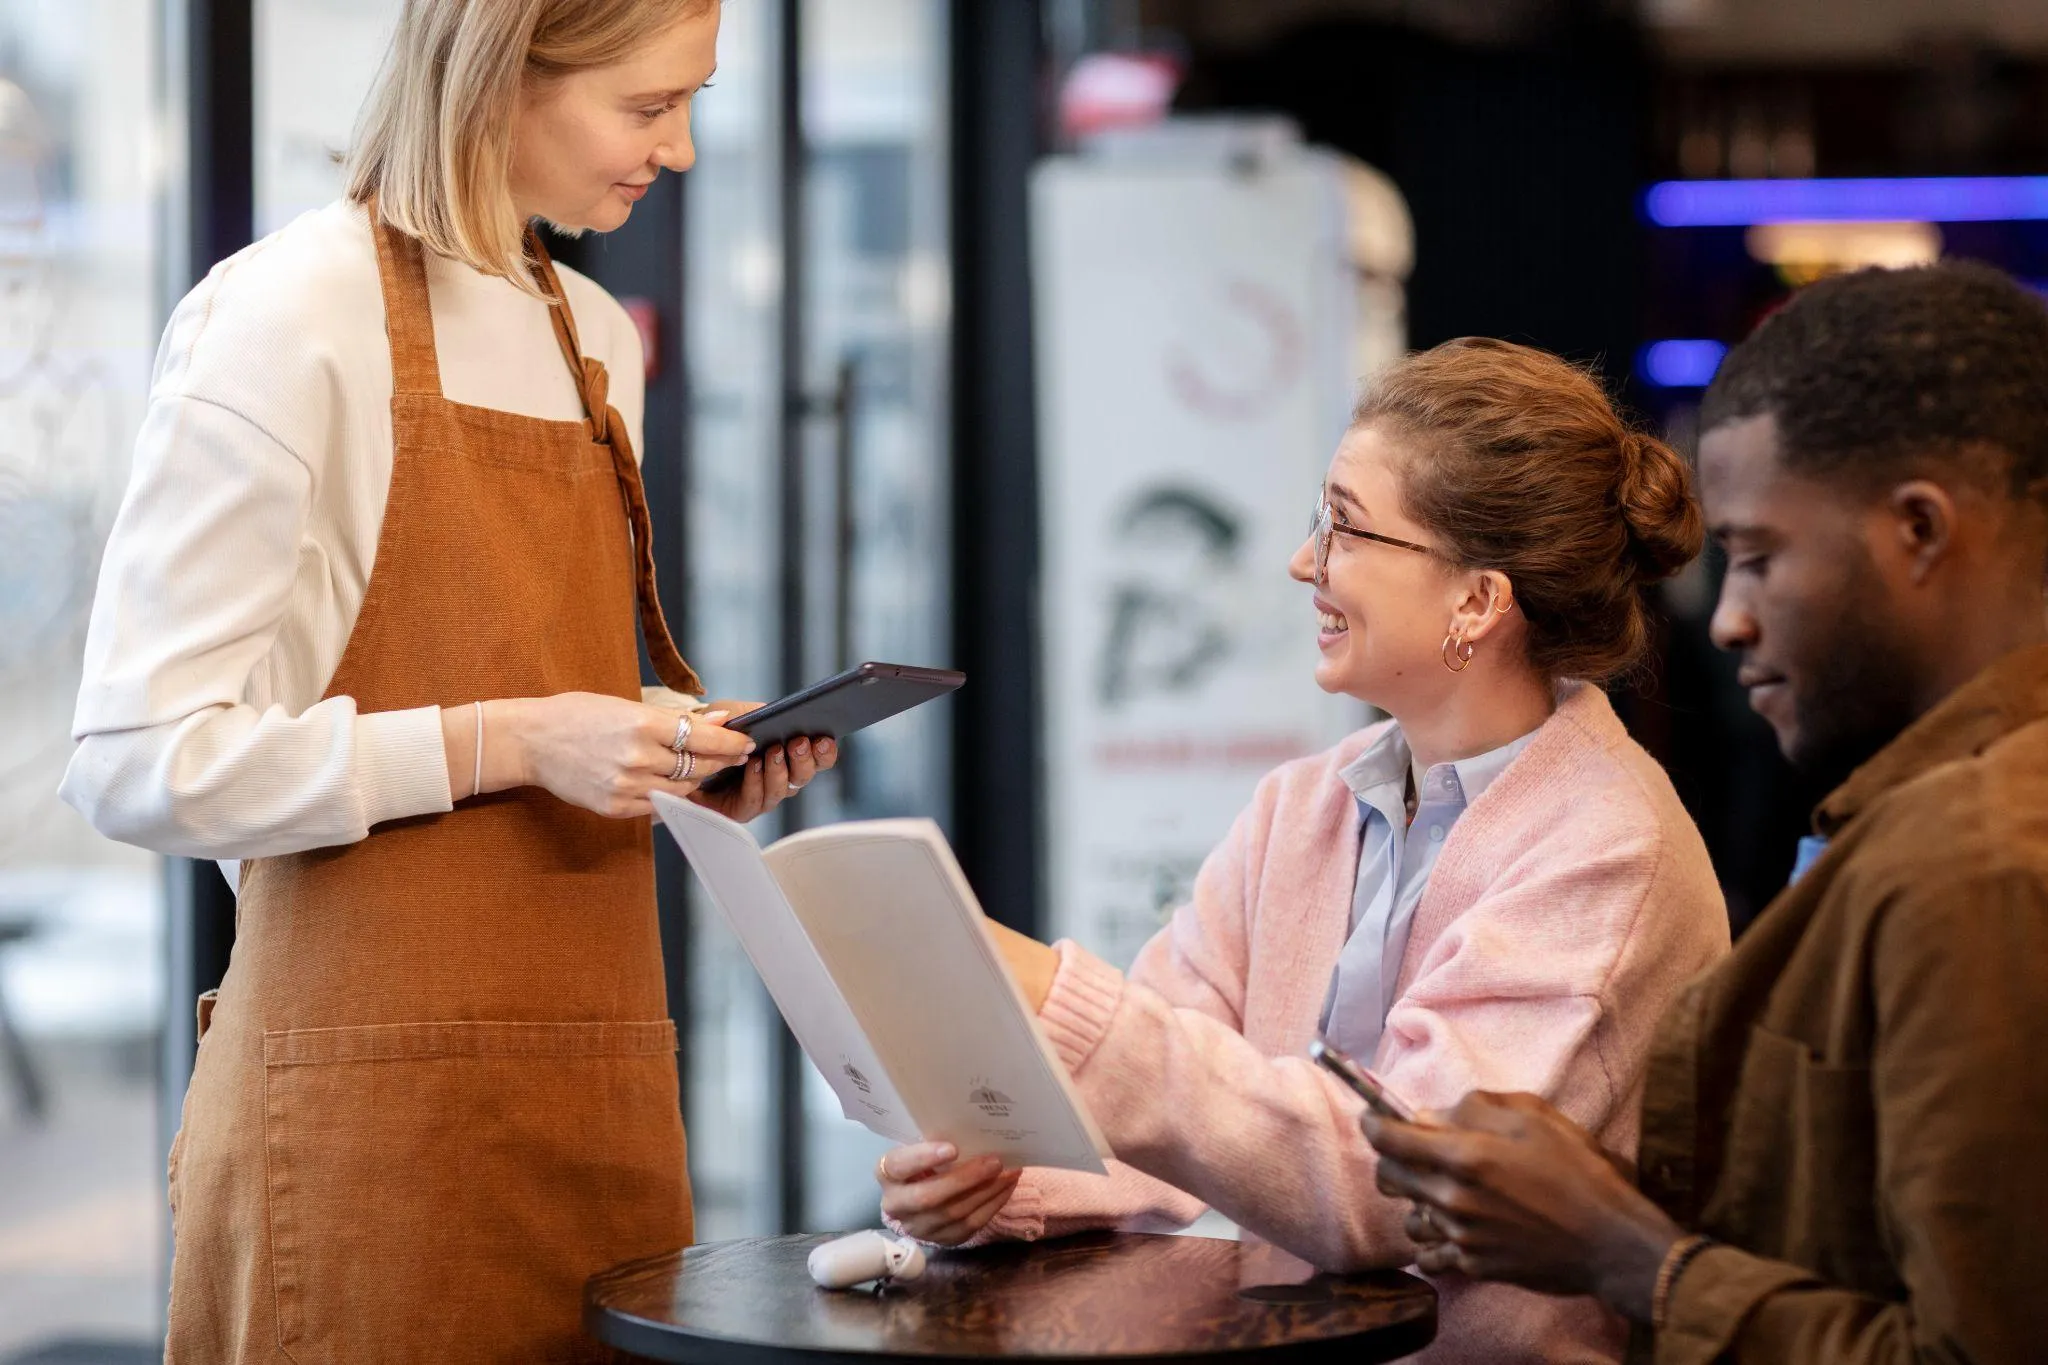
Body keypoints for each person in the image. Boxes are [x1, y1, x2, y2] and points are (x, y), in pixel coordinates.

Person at [60, 1, 837, 1359]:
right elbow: (135, 759)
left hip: (599, 1108)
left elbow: (548, 702)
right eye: (650, 109)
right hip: (363, 1143)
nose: (688, 151)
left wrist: (676, 754)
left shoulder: (598, 337)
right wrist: (515, 740)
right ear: (495, 80)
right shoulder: (285, 316)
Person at [878, 338, 1731, 1363]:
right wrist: (1003, 1179)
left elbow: (1394, 1188)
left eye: (1345, 528)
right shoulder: (1303, 804)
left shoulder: (1606, 849)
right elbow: (1172, 1129)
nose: (1302, 563)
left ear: (1478, 599)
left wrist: (1061, 1002)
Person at [1363, 261, 2048, 1365]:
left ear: (1917, 530)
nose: (1725, 620)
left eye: (1758, 557)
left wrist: (1623, 1252)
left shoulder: (1972, 862)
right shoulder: (1925, 820)